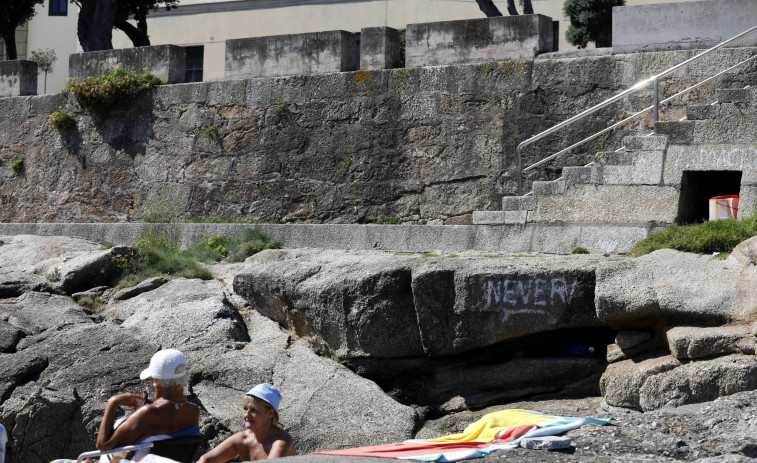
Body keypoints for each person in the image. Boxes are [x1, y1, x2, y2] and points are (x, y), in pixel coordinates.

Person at [96, 348, 200, 461]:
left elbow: (104, 444)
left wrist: (113, 402)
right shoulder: (194, 411)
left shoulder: (148, 414)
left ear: (155, 381)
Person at [197, 383, 295, 462]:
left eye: (254, 410)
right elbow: (206, 459)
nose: (247, 414)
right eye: (245, 408)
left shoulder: (281, 441)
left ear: (270, 413)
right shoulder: (242, 439)